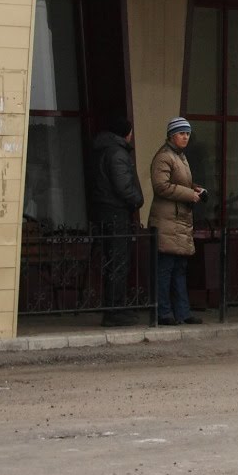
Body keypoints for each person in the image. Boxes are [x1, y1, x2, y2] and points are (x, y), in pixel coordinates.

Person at [86, 116, 145, 327]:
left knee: (112, 260)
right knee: (118, 261)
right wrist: (137, 200)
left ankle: (115, 307)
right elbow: (123, 185)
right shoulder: (117, 153)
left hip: (102, 210)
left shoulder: (100, 149)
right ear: (126, 133)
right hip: (115, 212)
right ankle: (114, 310)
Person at [147, 117, 206, 326]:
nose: (185, 137)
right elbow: (161, 186)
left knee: (179, 269)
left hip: (179, 221)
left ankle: (182, 311)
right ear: (172, 135)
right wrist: (189, 194)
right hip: (167, 222)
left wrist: (195, 189)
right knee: (166, 270)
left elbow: (180, 183)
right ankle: (164, 312)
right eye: (182, 133)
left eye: (188, 134)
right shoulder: (164, 157)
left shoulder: (180, 157)